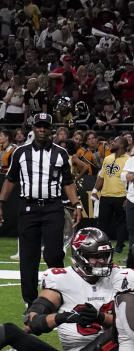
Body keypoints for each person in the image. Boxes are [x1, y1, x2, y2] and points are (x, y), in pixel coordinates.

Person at [0, 228, 118, 351]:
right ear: (79, 256)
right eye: (94, 257)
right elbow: (32, 322)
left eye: (105, 256)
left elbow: (131, 321)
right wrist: (62, 317)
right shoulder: (62, 279)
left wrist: (101, 318)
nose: (102, 261)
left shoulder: (119, 276)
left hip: (109, 346)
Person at [0, 113, 85, 305]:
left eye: (45, 126)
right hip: (28, 207)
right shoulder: (20, 152)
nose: (42, 129)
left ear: (51, 129)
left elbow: (68, 181)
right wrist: (1, 203)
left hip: (53, 207)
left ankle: (56, 297)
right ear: (33, 128)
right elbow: (10, 179)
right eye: (39, 126)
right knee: (28, 256)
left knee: (54, 254)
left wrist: (77, 204)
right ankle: (30, 302)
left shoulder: (60, 153)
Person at [91, 136, 130, 253]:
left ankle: (119, 246)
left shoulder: (129, 159)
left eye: (115, 141)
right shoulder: (107, 158)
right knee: (102, 223)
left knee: (121, 222)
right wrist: (94, 191)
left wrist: (128, 196)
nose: (112, 143)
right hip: (106, 195)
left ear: (122, 145)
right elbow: (101, 177)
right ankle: (101, 245)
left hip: (121, 196)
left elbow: (130, 180)